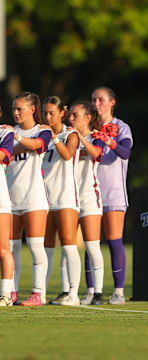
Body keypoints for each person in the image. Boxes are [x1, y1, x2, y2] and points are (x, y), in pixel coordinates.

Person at [6, 92, 51, 306]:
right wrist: (15, 142)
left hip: (34, 196)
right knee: (11, 247)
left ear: (32, 109)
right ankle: (10, 291)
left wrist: (16, 141)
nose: (15, 112)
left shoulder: (42, 130)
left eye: (19, 109)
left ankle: (37, 293)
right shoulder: (8, 131)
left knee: (35, 245)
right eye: (14, 108)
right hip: (10, 196)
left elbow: (39, 145)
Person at [91, 87, 133, 304]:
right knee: (91, 243)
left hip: (113, 192)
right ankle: (92, 291)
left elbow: (125, 152)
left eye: (101, 100)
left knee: (114, 241)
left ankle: (118, 292)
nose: (97, 104)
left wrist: (108, 140)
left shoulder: (121, 126)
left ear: (112, 102)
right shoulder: (89, 128)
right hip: (90, 192)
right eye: (94, 100)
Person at [42, 96, 81, 306]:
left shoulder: (70, 134)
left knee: (68, 246)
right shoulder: (42, 135)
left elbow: (67, 155)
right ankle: (40, 292)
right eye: (45, 113)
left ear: (62, 113)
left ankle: (73, 293)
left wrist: (54, 137)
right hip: (44, 197)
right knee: (45, 248)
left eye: (52, 113)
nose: (48, 117)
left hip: (65, 197)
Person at [68, 102, 105, 305]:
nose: (71, 119)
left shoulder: (96, 137)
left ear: (87, 118)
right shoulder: (67, 137)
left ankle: (98, 292)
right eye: (71, 115)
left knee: (92, 246)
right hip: (69, 197)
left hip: (90, 196)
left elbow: (97, 154)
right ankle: (69, 291)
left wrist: (79, 137)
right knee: (69, 247)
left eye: (75, 115)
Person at [0, 124, 15, 306]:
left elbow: (3, 155)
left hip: (1, 199)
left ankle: (6, 295)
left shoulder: (5, 132)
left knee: (3, 248)